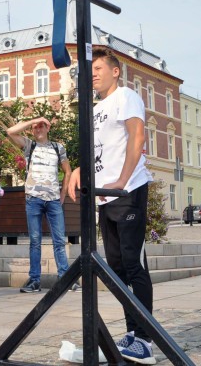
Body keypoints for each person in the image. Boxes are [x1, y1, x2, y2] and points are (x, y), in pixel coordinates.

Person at [66, 47, 155, 365]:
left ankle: (145, 340)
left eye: (99, 68)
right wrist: (78, 169)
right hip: (106, 196)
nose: (94, 74)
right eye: (91, 71)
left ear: (115, 71)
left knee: (134, 265)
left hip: (128, 190)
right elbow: (95, 149)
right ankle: (133, 334)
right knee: (116, 269)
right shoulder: (96, 108)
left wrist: (123, 178)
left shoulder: (126, 96)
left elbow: (137, 136)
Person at [5, 117, 73, 293]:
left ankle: (65, 278)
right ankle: (34, 280)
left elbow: (68, 170)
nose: (38, 129)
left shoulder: (58, 148)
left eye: (42, 126)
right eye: (35, 127)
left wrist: (63, 193)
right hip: (33, 199)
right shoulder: (29, 145)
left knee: (59, 240)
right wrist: (36, 119)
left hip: (53, 201)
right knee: (35, 241)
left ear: (48, 128)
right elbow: (10, 132)